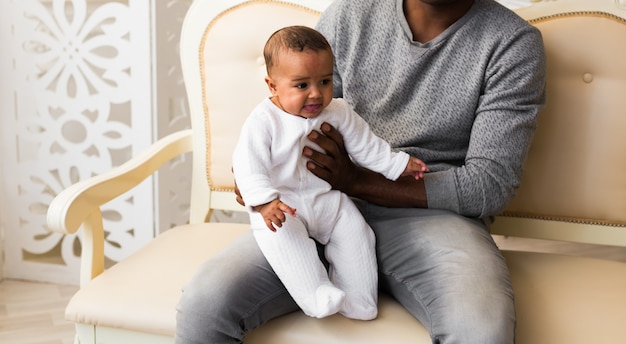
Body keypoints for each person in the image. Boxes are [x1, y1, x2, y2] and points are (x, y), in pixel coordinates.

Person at [175, 0, 546, 343]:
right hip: (316, 204)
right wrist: (257, 179)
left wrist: (358, 181)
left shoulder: (511, 43)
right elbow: (291, 112)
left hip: (434, 220)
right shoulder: (353, 14)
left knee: (481, 330)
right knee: (206, 304)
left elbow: (489, 186)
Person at [232, 25, 428, 321]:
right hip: (284, 205)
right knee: (285, 242)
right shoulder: (263, 122)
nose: (315, 94)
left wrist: (398, 165)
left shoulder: (337, 111)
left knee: (357, 233)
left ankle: (359, 298)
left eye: (324, 81)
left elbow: (365, 145)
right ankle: (316, 294)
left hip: (327, 200)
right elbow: (248, 164)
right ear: (272, 86)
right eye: (301, 86)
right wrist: (263, 202)